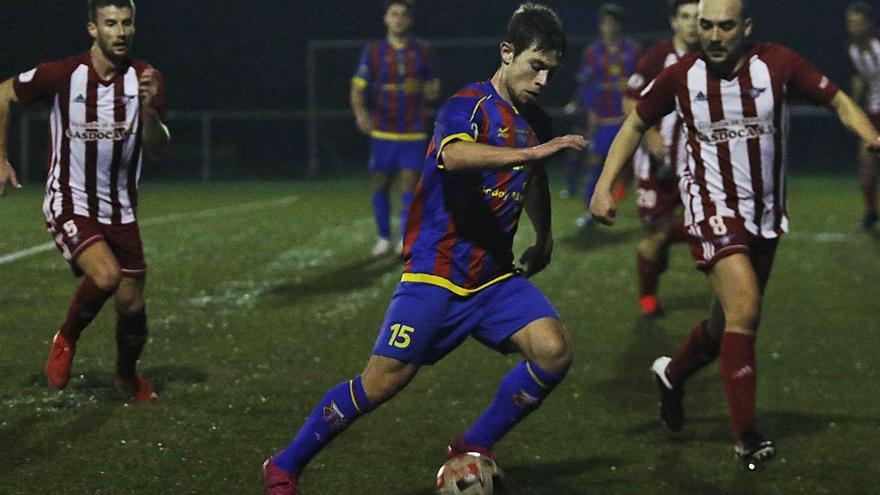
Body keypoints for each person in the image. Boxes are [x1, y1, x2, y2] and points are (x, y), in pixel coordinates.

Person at [263, 4, 587, 493]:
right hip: (437, 273)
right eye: (535, 65)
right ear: (507, 52)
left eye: (551, 71)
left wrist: (543, 236)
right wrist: (529, 152)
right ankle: (284, 466)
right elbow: (454, 156)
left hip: (493, 276)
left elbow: (535, 180)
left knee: (553, 351)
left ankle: (471, 445)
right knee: (383, 381)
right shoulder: (468, 105)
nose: (543, 80)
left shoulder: (534, 120)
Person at [590, 0, 880, 467]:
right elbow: (635, 122)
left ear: (745, 27)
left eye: (725, 26)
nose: (715, 35)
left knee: (724, 325)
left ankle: (673, 373)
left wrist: (871, 135)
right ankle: (747, 436)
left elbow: (838, 100)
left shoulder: (778, 64)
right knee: (745, 308)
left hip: (765, 216)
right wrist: (604, 187)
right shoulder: (683, 75)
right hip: (710, 208)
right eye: (707, 26)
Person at [0, 0, 170, 401]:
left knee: (133, 310)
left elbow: (159, 148)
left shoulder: (146, 78)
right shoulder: (62, 75)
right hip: (69, 200)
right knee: (107, 277)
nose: (121, 31)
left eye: (127, 23)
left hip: (121, 209)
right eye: (110, 23)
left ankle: (126, 377)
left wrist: (148, 113)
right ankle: (66, 337)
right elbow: (3, 94)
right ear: (93, 28)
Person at [624, 0, 700, 317]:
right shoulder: (659, 56)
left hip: (697, 163)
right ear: (674, 22)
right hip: (656, 164)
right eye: (685, 17)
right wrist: (650, 133)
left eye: (698, 17)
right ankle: (648, 299)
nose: (692, 23)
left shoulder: (713, 57)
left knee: (705, 224)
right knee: (658, 234)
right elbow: (629, 100)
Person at [351, 0, 441, 256]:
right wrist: (361, 113)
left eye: (403, 14)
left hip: (413, 129)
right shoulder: (374, 51)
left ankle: (406, 239)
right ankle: (383, 237)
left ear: (410, 20)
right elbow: (358, 87)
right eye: (394, 14)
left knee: (409, 185)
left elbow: (434, 90)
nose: (398, 18)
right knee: (379, 183)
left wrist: (421, 89)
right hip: (383, 129)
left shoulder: (423, 50)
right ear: (386, 19)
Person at [567, 3, 641, 227]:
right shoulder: (592, 52)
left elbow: (644, 80)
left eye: (613, 22)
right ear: (600, 26)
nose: (609, 27)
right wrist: (590, 110)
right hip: (605, 120)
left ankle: (654, 210)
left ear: (620, 25)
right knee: (595, 165)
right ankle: (592, 211)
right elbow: (585, 85)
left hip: (631, 120)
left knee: (641, 167)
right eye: (605, 22)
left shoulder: (634, 50)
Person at [846, 1, 880, 230]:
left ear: (868, 24)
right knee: (866, 163)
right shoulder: (853, 49)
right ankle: (870, 212)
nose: (852, 27)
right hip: (873, 112)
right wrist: (853, 103)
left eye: (857, 22)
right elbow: (860, 76)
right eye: (850, 22)